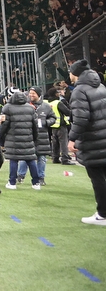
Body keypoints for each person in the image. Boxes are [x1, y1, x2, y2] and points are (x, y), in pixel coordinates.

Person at [66, 60, 106, 225]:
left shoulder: (79, 91)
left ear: (75, 73)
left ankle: (103, 215)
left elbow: (81, 119)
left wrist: (72, 139)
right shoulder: (101, 86)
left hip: (93, 142)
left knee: (98, 179)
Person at [0, 90, 40, 190]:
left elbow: (4, 125)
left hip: (13, 139)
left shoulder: (7, 108)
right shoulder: (30, 108)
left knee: (13, 160)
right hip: (28, 138)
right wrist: (34, 138)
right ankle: (36, 183)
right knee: (31, 160)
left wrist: (1, 138)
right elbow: (35, 126)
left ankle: (12, 182)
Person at [20, 87, 54, 186]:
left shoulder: (46, 106)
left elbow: (53, 118)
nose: (31, 95)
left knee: (42, 158)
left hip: (42, 136)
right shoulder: (25, 105)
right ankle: (20, 176)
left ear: (39, 95)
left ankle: (41, 178)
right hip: (28, 134)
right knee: (25, 156)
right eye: (30, 93)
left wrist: (46, 122)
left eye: (33, 93)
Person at [49, 84, 73, 164]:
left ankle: (55, 158)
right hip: (61, 125)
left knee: (55, 143)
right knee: (63, 142)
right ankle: (65, 159)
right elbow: (67, 112)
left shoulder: (49, 103)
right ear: (56, 94)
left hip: (53, 125)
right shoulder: (58, 102)